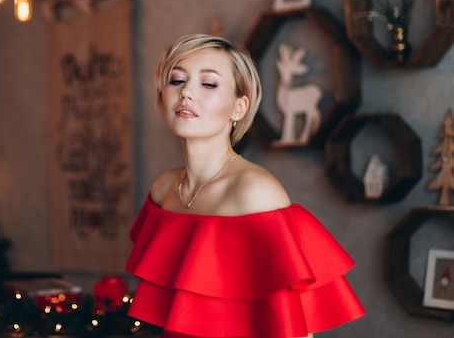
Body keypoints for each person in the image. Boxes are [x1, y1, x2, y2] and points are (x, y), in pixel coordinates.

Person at [125, 34, 365, 338]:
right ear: (162, 98)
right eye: (176, 80)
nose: (186, 92)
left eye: (208, 84)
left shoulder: (255, 192)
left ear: (239, 107)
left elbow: (290, 329)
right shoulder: (164, 189)